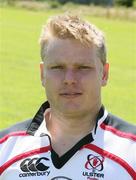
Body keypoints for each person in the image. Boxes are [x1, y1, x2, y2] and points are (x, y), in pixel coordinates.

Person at [0, 14, 136, 180]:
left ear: (104, 74)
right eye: (58, 67)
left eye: (83, 67)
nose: (69, 79)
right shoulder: (5, 148)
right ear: (42, 74)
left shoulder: (132, 151)